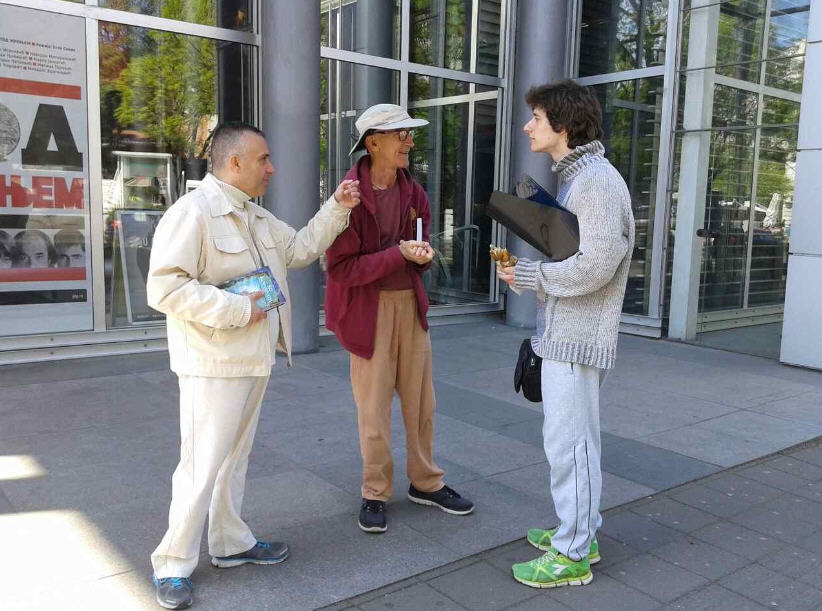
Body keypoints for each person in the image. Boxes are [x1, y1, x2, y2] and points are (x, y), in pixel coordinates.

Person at [146, 121, 360, 610]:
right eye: (263, 159)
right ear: (234, 162)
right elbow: (165, 289)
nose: (272, 168)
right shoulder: (193, 212)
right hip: (212, 360)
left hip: (252, 358)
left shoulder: (256, 218)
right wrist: (238, 309)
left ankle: (229, 543)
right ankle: (173, 562)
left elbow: (301, 248)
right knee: (201, 464)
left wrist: (337, 208)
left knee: (233, 461)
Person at [497, 81, 634, 589]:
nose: (529, 126)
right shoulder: (582, 178)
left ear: (563, 123)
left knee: (570, 446)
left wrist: (532, 276)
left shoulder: (595, 181)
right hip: (566, 335)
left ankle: (573, 553)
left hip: (576, 340)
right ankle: (581, 532)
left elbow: (599, 261)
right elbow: (580, 254)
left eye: (536, 117)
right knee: (572, 443)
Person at [325, 104, 474, 534]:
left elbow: (421, 245)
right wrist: (398, 255)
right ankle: (374, 492)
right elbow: (341, 270)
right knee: (373, 411)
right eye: (401, 134)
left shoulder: (413, 191)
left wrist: (423, 258)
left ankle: (426, 482)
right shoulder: (348, 196)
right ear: (373, 142)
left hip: (409, 305)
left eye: (410, 134)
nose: (410, 141)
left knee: (422, 402)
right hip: (366, 313)